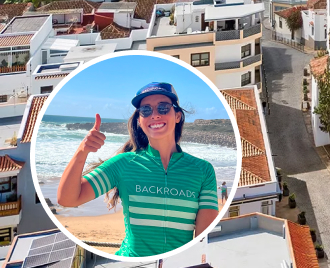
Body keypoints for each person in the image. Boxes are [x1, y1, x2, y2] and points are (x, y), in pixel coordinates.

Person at [57, 82, 220, 258]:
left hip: (178, 267)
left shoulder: (203, 171)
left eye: (163, 108)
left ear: (178, 116)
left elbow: (204, 241)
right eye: (146, 110)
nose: (155, 115)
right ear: (139, 121)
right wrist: (82, 151)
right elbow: (67, 199)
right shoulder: (123, 164)